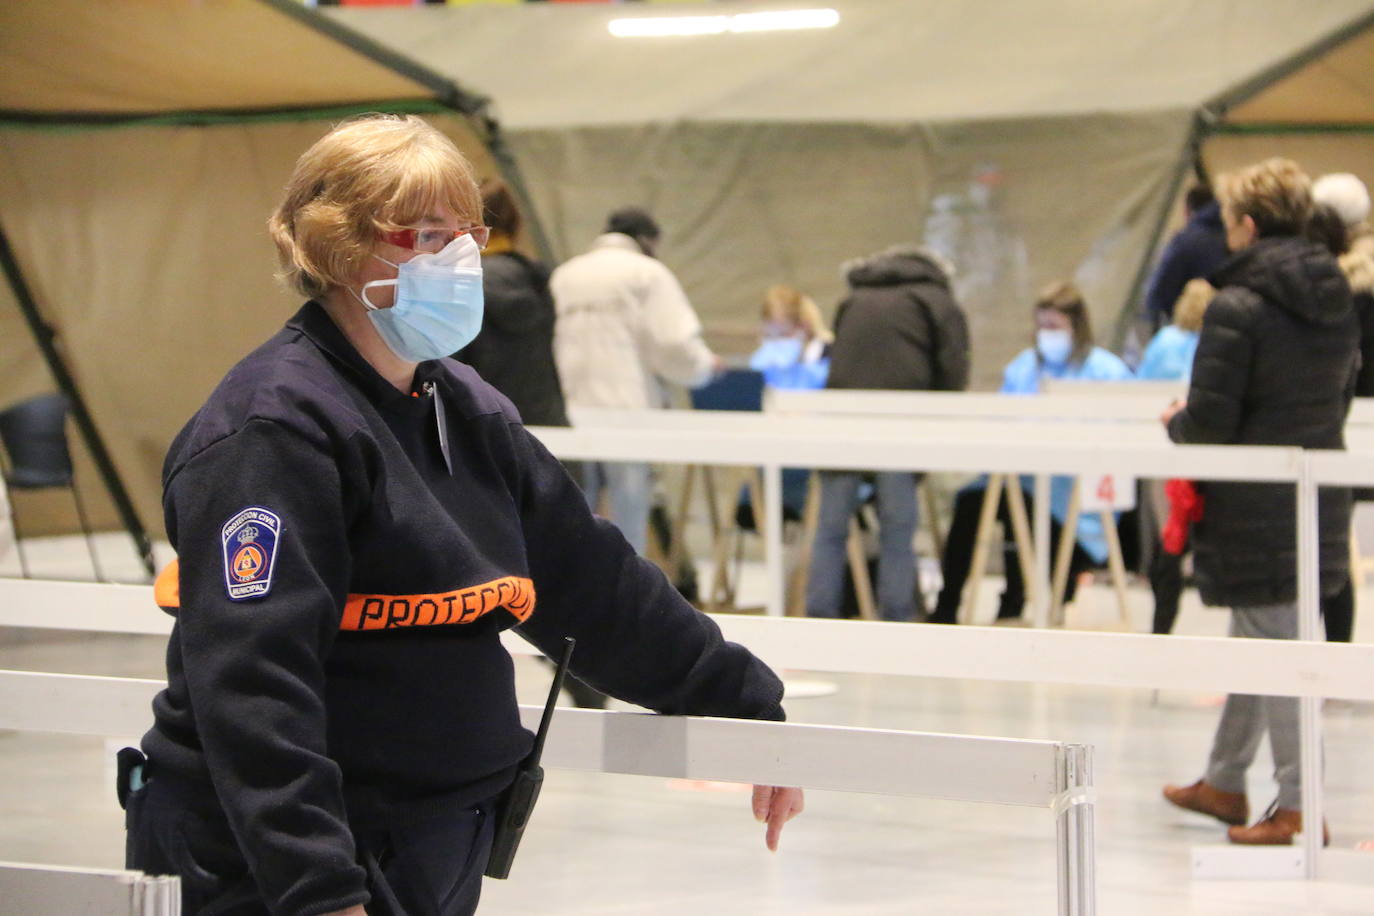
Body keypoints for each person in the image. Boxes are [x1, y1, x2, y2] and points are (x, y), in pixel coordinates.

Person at [123, 115, 802, 916]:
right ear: (342, 249)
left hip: (438, 837)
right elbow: (254, 685)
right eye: (427, 236)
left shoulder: (462, 404)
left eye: (467, 234)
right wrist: (318, 889)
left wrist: (749, 709)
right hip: (289, 864)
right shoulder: (273, 431)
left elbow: (593, 582)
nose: (462, 259)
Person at [1161, 157, 1356, 846]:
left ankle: (1300, 804)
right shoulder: (1338, 295)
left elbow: (1211, 420)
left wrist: (1176, 422)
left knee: (1277, 652)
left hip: (1254, 504)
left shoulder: (1236, 305)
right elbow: (1336, 396)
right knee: (1263, 638)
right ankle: (1224, 779)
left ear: (1246, 226)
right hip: (1315, 492)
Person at [455, 180, 605, 709]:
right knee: (556, 570)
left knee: (480, 580)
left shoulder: (460, 289)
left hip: (488, 444)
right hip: (550, 439)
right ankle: (587, 674)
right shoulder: (542, 285)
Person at [928, 280, 1133, 624]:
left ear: (1076, 326)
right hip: (1018, 475)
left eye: (1054, 326)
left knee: (1018, 504)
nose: (1045, 334)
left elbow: (1118, 438)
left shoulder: (1106, 372)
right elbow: (1003, 421)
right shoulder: (1024, 366)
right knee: (971, 502)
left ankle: (1014, 600)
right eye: (1041, 326)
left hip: (1071, 489)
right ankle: (947, 604)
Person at [805, 245, 970, 621]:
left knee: (831, 529)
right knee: (897, 528)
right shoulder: (936, 300)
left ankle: (817, 617)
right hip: (901, 425)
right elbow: (953, 369)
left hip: (842, 425)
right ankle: (898, 618)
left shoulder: (855, 298)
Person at [551, 207, 721, 555]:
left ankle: (573, 602)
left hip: (569, 411)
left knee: (571, 514)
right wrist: (704, 366)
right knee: (627, 520)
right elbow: (673, 343)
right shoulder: (648, 273)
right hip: (626, 413)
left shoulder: (563, 275)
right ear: (647, 240)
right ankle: (625, 603)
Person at [1305, 199, 1374, 644]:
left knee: (1325, 547)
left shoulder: (1332, 295)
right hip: (1349, 429)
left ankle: (1330, 658)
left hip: (1340, 428)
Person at [1138, 279, 1215, 635]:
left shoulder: (1164, 343)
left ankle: (1161, 628)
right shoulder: (1217, 342)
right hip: (1208, 453)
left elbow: (1139, 390)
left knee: (1169, 542)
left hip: (1168, 453)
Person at [1143, 182, 1229, 329]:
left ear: (1187, 210)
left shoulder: (1185, 240)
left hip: (1189, 326)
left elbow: (1160, 292)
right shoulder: (1233, 236)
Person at [748, 283, 831, 391]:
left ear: (803, 327)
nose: (776, 343)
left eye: (783, 335)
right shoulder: (763, 360)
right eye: (769, 336)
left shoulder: (827, 358)